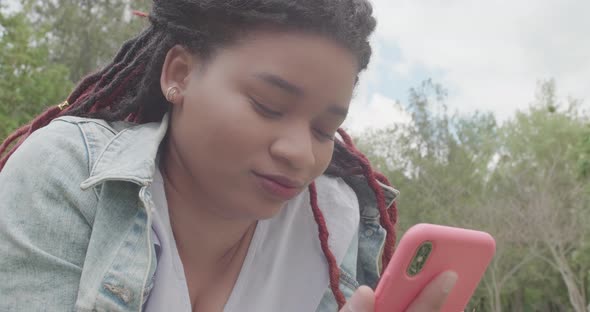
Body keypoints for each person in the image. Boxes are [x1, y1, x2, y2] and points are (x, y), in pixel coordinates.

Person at [0, 0, 458, 311]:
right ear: (179, 73)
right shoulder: (70, 175)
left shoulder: (332, 225)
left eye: (325, 129)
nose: (300, 153)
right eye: (268, 106)